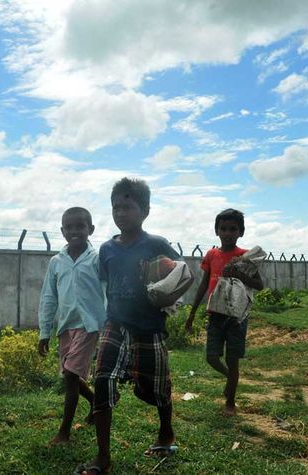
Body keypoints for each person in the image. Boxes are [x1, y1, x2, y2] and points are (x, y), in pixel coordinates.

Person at [75, 178, 187, 475]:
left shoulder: (157, 245)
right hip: (116, 324)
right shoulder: (108, 249)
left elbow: (182, 275)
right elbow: (104, 283)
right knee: (102, 381)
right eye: (116, 207)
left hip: (149, 327)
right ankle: (103, 457)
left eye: (128, 207)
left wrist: (168, 295)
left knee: (158, 389)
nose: (120, 213)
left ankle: (165, 431)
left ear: (145, 211)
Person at [38, 207, 106, 445]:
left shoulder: (97, 259)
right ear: (62, 231)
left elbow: (107, 291)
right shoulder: (56, 262)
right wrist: (44, 332)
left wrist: (109, 323)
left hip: (89, 325)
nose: (75, 231)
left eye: (81, 226)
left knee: (70, 375)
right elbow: (49, 297)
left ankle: (64, 432)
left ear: (91, 229)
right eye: (69, 227)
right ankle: (96, 402)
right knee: (72, 376)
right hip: (66, 326)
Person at [185, 208, 263, 416]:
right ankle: (230, 378)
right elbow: (203, 285)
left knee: (232, 358)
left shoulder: (244, 258)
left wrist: (240, 274)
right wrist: (192, 312)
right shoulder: (211, 255)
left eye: (233, 229)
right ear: (217, 231)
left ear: (241, 232)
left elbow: (259, 284)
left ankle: (230, 402)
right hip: (215, 314)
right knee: (211, 357)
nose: (228, 233)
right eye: (223, 228)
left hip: (236, 317)